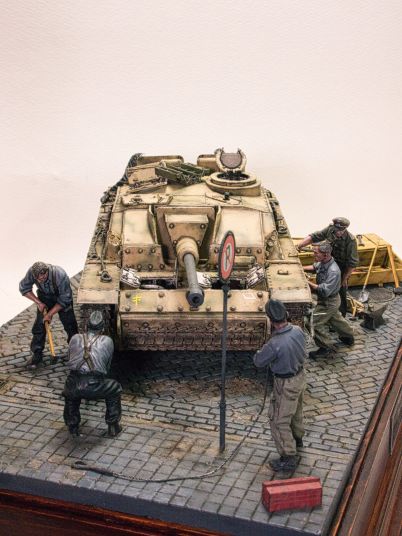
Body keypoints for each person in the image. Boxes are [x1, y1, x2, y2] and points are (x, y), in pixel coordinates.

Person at [253, 299, 306, 473]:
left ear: (271, 320)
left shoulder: (274, 344)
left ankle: (288, 456)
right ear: (286, 315)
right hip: (300, 377)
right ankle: (297, 439)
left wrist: (264, 346)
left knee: (278, 420)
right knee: (295, 412)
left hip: (285, 384)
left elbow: (259, 361)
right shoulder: (298, 330)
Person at [62, 311, 122, 437]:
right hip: (94, 384)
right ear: (103, 328)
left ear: (86, 326)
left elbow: (69, 358)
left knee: (71, 392)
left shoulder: (75, 338)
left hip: (74, 381)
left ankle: (72, 425)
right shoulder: (107, 341)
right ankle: (113, 426)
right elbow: (107, 367)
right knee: (115, 387)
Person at [19, 261, 78, 367]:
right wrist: (39, 303)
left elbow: (65, 298)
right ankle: (37, 354)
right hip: (44, 298)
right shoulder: (32, 272)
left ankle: (75, 353)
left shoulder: (60, 274)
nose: (39, 281)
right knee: (39, 326)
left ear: (46, 273)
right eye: (37, 279)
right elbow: (24, 288)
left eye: (41, 278)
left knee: (70, 325)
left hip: (62, 298)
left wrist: (50, 314)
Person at [297, 217, 359, 316]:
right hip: (327, 260)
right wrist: (299, 245)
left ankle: (340, 314)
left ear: (344, 229)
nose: (337, 232)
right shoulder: (330, 229)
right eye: (336, 229)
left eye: (340, 230)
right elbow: (315, 236)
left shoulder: (350, 241)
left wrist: (344, 279)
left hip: (342, 267)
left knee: (339, 291)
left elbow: (352, 263)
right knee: (324, 285)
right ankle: (324, 309)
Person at [305, 241, 355, 359]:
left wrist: (307, 282)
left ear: (326, 254)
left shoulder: (333, 271)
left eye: (316, 253)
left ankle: (326, 348)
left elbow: (324, 291)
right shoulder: (323, 262)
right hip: (330, 300)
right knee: (335, 319)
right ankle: (348, 336)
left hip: (328, 301)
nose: (313, 255)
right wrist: (300, 269)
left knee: (312, 323)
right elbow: (315, 267)